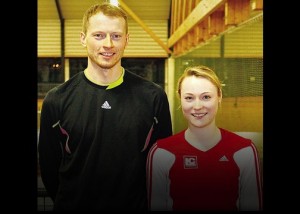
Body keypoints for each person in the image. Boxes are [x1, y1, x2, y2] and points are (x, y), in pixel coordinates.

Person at [38, 2, 172, 211]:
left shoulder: (154, 97)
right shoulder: (57, 100)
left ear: (126, 40)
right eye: (98, 35)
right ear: (83, 38)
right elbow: (49, 168)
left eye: (116, 36)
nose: (108, 44)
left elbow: (162, 164)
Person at [146, 65, 263, 211]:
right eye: (189, 98)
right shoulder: (161, 153)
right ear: (180, 99)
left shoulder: (244, 151)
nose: (197, 106)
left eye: (206, 97)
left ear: (219, 96)